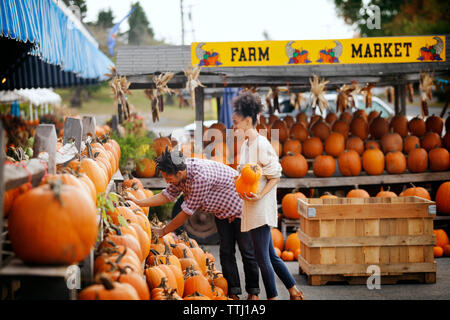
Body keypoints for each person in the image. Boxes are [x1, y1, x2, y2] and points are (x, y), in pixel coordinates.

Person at [125, 147, 260, 300]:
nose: (167, 182)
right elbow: (167, 195)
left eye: (169, 179)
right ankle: (233, 292)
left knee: (247, 251)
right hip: (222, 212)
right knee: (226, 252)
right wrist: (139, 202)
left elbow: (185, 213)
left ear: (179, 174)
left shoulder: (199, 178)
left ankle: (253, 292)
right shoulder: (181, 171)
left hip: (241, 208)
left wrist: (163, 231)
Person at [232, 91, 305, 300]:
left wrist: (260, 195)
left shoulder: (262, 144)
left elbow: (276, 175)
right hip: (252, 205)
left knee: (262, 257)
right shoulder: (246, 144)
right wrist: (236, 181)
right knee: (270, 255)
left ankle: (272, 297)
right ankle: (294, 291)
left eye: (236, 122)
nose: (234, 126)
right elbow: (246, 174)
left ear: (247, 120)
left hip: (261, 207)